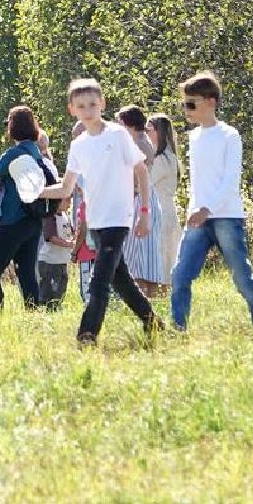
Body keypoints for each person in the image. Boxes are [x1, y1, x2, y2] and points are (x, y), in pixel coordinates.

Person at [57, 80, 162, 346]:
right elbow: (66, 186)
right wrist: (34, 191)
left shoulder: (117, 135)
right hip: (96, 221)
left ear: (102, 103)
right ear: (72, 109)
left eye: (93, 104)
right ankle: (153, 322)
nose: (88, 110)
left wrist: (145, 212)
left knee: (98, 282)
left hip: (118, 220)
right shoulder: (79, 144)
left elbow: (141, 170)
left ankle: (86, 336)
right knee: (121, 280)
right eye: (81, 106)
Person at [169, 72, 253, 332]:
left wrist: (208, 209)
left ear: (211, 102)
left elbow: (230, 180)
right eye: (184, 104)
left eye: (191, 103)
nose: (187, 110)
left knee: (241, 276)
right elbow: (198, 182)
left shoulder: (229, 135)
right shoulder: (193, 138)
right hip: (198, 218)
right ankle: (179, 328)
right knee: (180, 275)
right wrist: (196, 209)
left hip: (225, 216)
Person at [0, 109, 60, 310]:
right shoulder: (34, 150)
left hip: (12, 220)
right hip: (33, 219)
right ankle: (33, 312)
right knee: (26, 272)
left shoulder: (13, 154)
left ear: (12, 127)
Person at [125, 111, 181, 297]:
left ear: (159, 132)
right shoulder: (161, 157)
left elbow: (145, 180)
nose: (146, 132)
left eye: (150, 129)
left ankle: (161, 301)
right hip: (162, 211)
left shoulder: (164, 159)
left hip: (163, 213)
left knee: (162, 265)